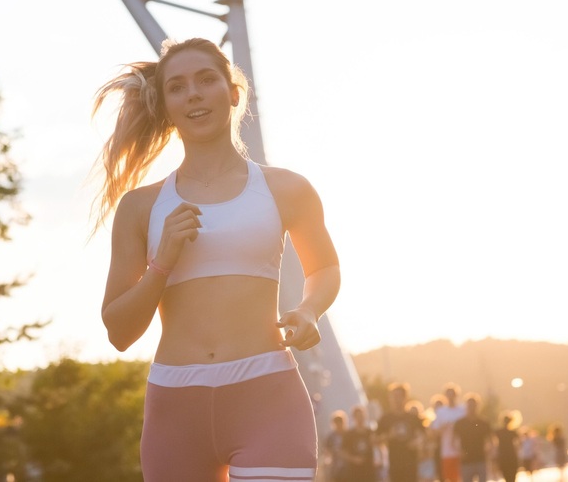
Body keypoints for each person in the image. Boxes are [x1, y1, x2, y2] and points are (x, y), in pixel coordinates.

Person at [92, 37, 341, 482]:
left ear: (233, 92)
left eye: (206, 80)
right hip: (174, 408)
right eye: (178, 87)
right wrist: (161, 264)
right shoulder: (141, 208)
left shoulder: (287, 189)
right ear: (165, 105)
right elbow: (119, 331)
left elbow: (324, 268)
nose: (194, 94)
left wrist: (308, 310)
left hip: (268, 398)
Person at [376, 383, 425, 482]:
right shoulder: (386, 418)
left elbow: (424, 435)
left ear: (405, 398)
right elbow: (375, 440)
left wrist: (417, 442)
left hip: (411, 464)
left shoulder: (412, 418)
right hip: (394, 464)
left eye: (399, 396)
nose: (396, 399)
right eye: (393, 396)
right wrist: (389, 436)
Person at [452, 393, 492, 482]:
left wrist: (488, 451)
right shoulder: (460, 423)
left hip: (481, 459)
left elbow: (491, 440)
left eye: (474, 405)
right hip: (466, 460)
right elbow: (453, 440)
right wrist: (459, 451)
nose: (472, 407)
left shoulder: (484, 423)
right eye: (469, 405)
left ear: (478, 406)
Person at [430, 383, 467, 481]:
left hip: (462, 450)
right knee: (450, 478)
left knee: (462, 477)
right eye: (448, 395)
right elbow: (434, 432)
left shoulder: (463, 410)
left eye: (453, 394)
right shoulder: (441, 412)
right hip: (447, 452)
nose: (451, 397)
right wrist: (444, 427)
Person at [341, 405, 377, 481]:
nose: (360, 418)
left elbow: (378, 447)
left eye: (361, 416)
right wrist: (354, 459)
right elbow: (343, 452)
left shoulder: (370, 433)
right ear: (354, 418)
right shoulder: (349, 434)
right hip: (354, 472)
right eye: (357, 416)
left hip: (369, 470)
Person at [494, 411, 521, 482]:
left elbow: (494, 445)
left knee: (507, 477)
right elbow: (519, 443)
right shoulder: (512, 432)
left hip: (503, 457)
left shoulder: (498, 432)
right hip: (511, 457)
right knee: (512, 478)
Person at [325, 411, 349, 482]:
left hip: (347, 467)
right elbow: (327, 451)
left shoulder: (349, 435)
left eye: (340, 422)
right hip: (335, 467)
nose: (339, 425)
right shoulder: (331, 437)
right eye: (336, 423)